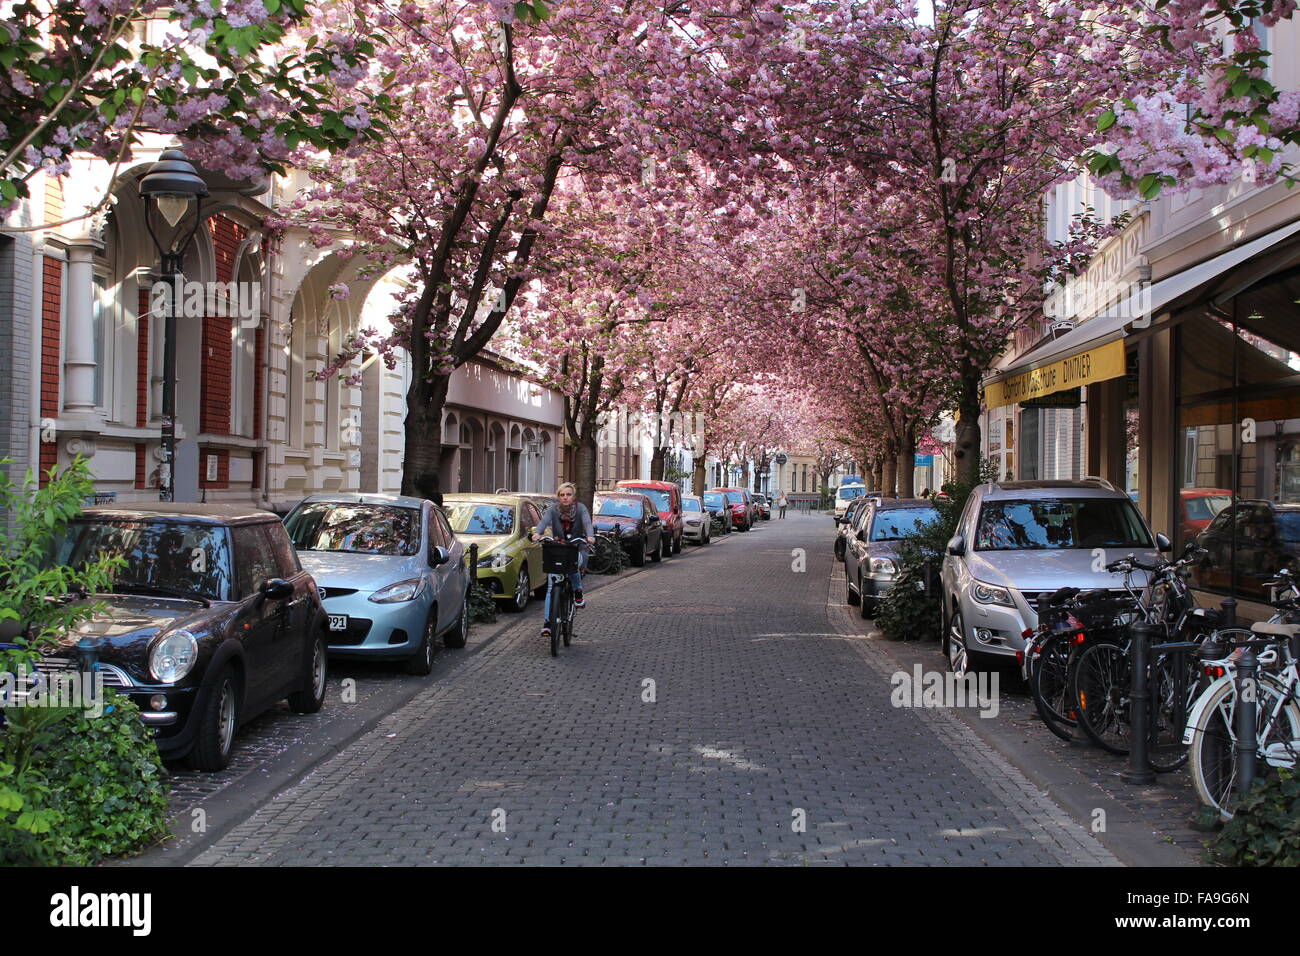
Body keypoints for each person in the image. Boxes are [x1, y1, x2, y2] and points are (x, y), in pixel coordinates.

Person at [529, 482, 594, 638]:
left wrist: (590, 536)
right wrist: (538, 533)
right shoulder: (553, 509)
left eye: (568, 495)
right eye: (562, 495)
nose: (565, 497)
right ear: (559, 497)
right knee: (551, 586)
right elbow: (543, 522)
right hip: (558, 548)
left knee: (574, 566)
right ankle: (547, 623)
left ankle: (578, 591)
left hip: (575, 546)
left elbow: (587, 522)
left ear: (573, 496)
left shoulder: (581, 509)